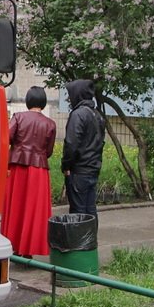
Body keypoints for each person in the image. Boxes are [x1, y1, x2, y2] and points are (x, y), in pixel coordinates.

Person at [0, 87, 57, 257]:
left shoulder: (18, 117)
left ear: (28, 101)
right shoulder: (50, 124)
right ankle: (28, 249)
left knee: (16, 206)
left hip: (18, 167)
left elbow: (6, 138)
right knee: (33, 209)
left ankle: (14, 245)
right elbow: (49, 151)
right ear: (44, 102)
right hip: (39, 170)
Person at [60, 79, 106, 217]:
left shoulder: (78, 115)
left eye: (70, 94)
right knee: (90, 210)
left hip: (79, 171)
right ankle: (90, 238)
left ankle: (79, 239)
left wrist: (66, 166)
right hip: (93, 168)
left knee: (78, 211)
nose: (69, 98)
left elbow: (71, 144)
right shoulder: (97, 115)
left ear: (77, 94)